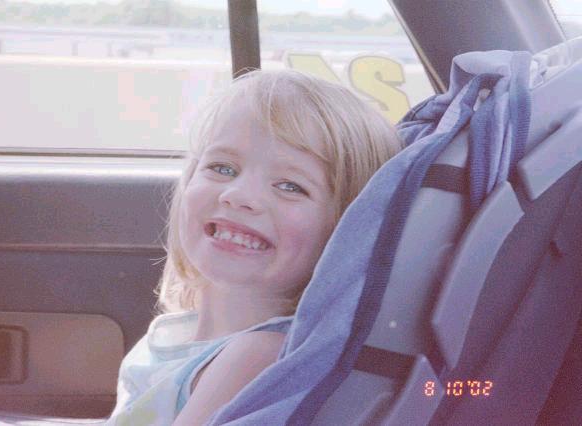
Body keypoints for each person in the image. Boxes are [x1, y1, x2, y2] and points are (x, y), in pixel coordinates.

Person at [106, 68, 402, 426]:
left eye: (290, 186)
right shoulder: (178, 336)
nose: (239, 195)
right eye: (222, 168)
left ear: (346, 229)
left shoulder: (255, 357)